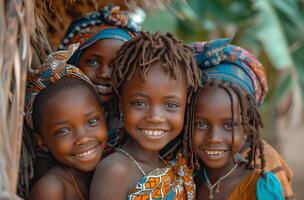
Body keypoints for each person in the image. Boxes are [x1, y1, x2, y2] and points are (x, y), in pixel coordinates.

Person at [90, 31, 201, 200]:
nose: (155, 117)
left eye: (171, 105)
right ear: (121, 104)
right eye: (139, 103)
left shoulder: (175, 166)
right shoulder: (115, 171)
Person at [189, 38, 285, 199]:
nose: (214, 138)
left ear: (247, 126)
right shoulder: (186, 179)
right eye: (200, 124)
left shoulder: (260, 187)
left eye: (229, 125)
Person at [26, 44, 108, 200]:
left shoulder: (108, 169)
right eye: (63, 130)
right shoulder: (51, 190)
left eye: (91, 121)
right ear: (42, 141)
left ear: (104, 116)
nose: (83, 138)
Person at [59, 5, 140, 144]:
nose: (104, 74)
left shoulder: (136, 122)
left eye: (116, 65)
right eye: (92, 61)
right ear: (72, 61)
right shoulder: (54, 111)